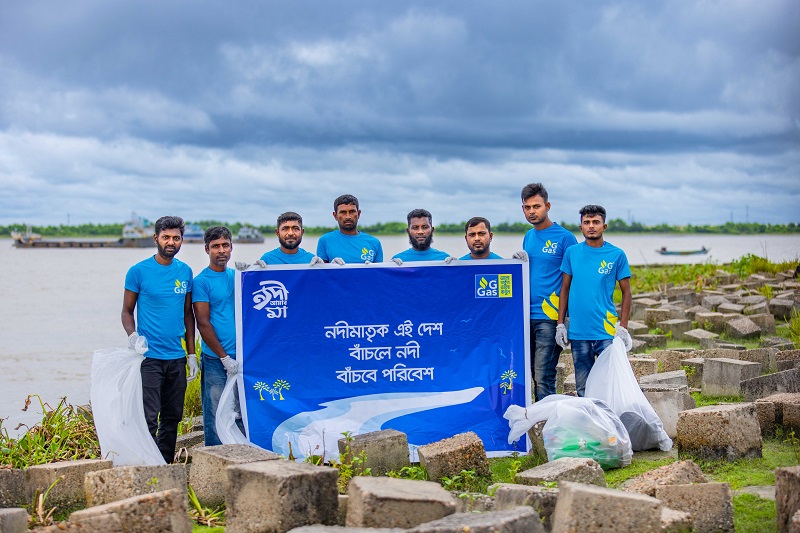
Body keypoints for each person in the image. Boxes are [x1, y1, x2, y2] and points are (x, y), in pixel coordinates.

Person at [122, 215, 196, 463]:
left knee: (173, 416)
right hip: (150, 358)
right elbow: (126, 311)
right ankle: (145, 463)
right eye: (166, 237)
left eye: (176, 238)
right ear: (156, 238)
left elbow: (188, 315)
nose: (171, 242)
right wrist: (133, 337)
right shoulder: (138, 271)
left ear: (181, 240)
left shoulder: (185, 272)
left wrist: (192, 354)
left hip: (176, 358)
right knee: (148, 416)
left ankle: (164, 463)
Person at [556, 205, 632, 397]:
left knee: (609, 385)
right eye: (586, 222)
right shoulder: (572, 253)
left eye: (596, 222)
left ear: (604, 226)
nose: (591, 226)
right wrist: (560, 324)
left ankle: (610, 425)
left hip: (605, 331)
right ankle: (589, 427)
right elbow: (564, 288)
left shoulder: (617, 255)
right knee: (584, 387)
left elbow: (626, 293)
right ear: (580, 227)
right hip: (579, 332)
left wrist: (623, 327)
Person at [521, 183, 578, 401]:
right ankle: (532, 423)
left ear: (548, 205)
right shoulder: (528, 236)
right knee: (528, 374)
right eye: (527, 207)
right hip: (526, 316)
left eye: (536, 206)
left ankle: (548, 427)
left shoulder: (565, 238)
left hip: (550, 317)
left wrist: (565, 321)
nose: (532, 212)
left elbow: (572, 282)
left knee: (544, 375)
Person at [192, 226, 239, 446]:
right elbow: (203, 323)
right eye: (215, 246)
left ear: (231, 247)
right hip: (215, 360)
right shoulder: (201, 281)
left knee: (241, 411)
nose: (221, 250)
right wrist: (223, 357)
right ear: (207, 249)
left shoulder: (239, 276)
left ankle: (243, 456)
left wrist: (256, 272)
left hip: (242, 358)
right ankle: (214, 458)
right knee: (215, 412)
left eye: (225, 245)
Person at [316, 194, 383, 264]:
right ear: (335, 216)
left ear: (359, 214)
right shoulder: (325, 241)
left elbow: (379, 273)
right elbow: (321, 273)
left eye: (352, 212)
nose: (348, 216)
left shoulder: (374, 243)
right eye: (343, 212)